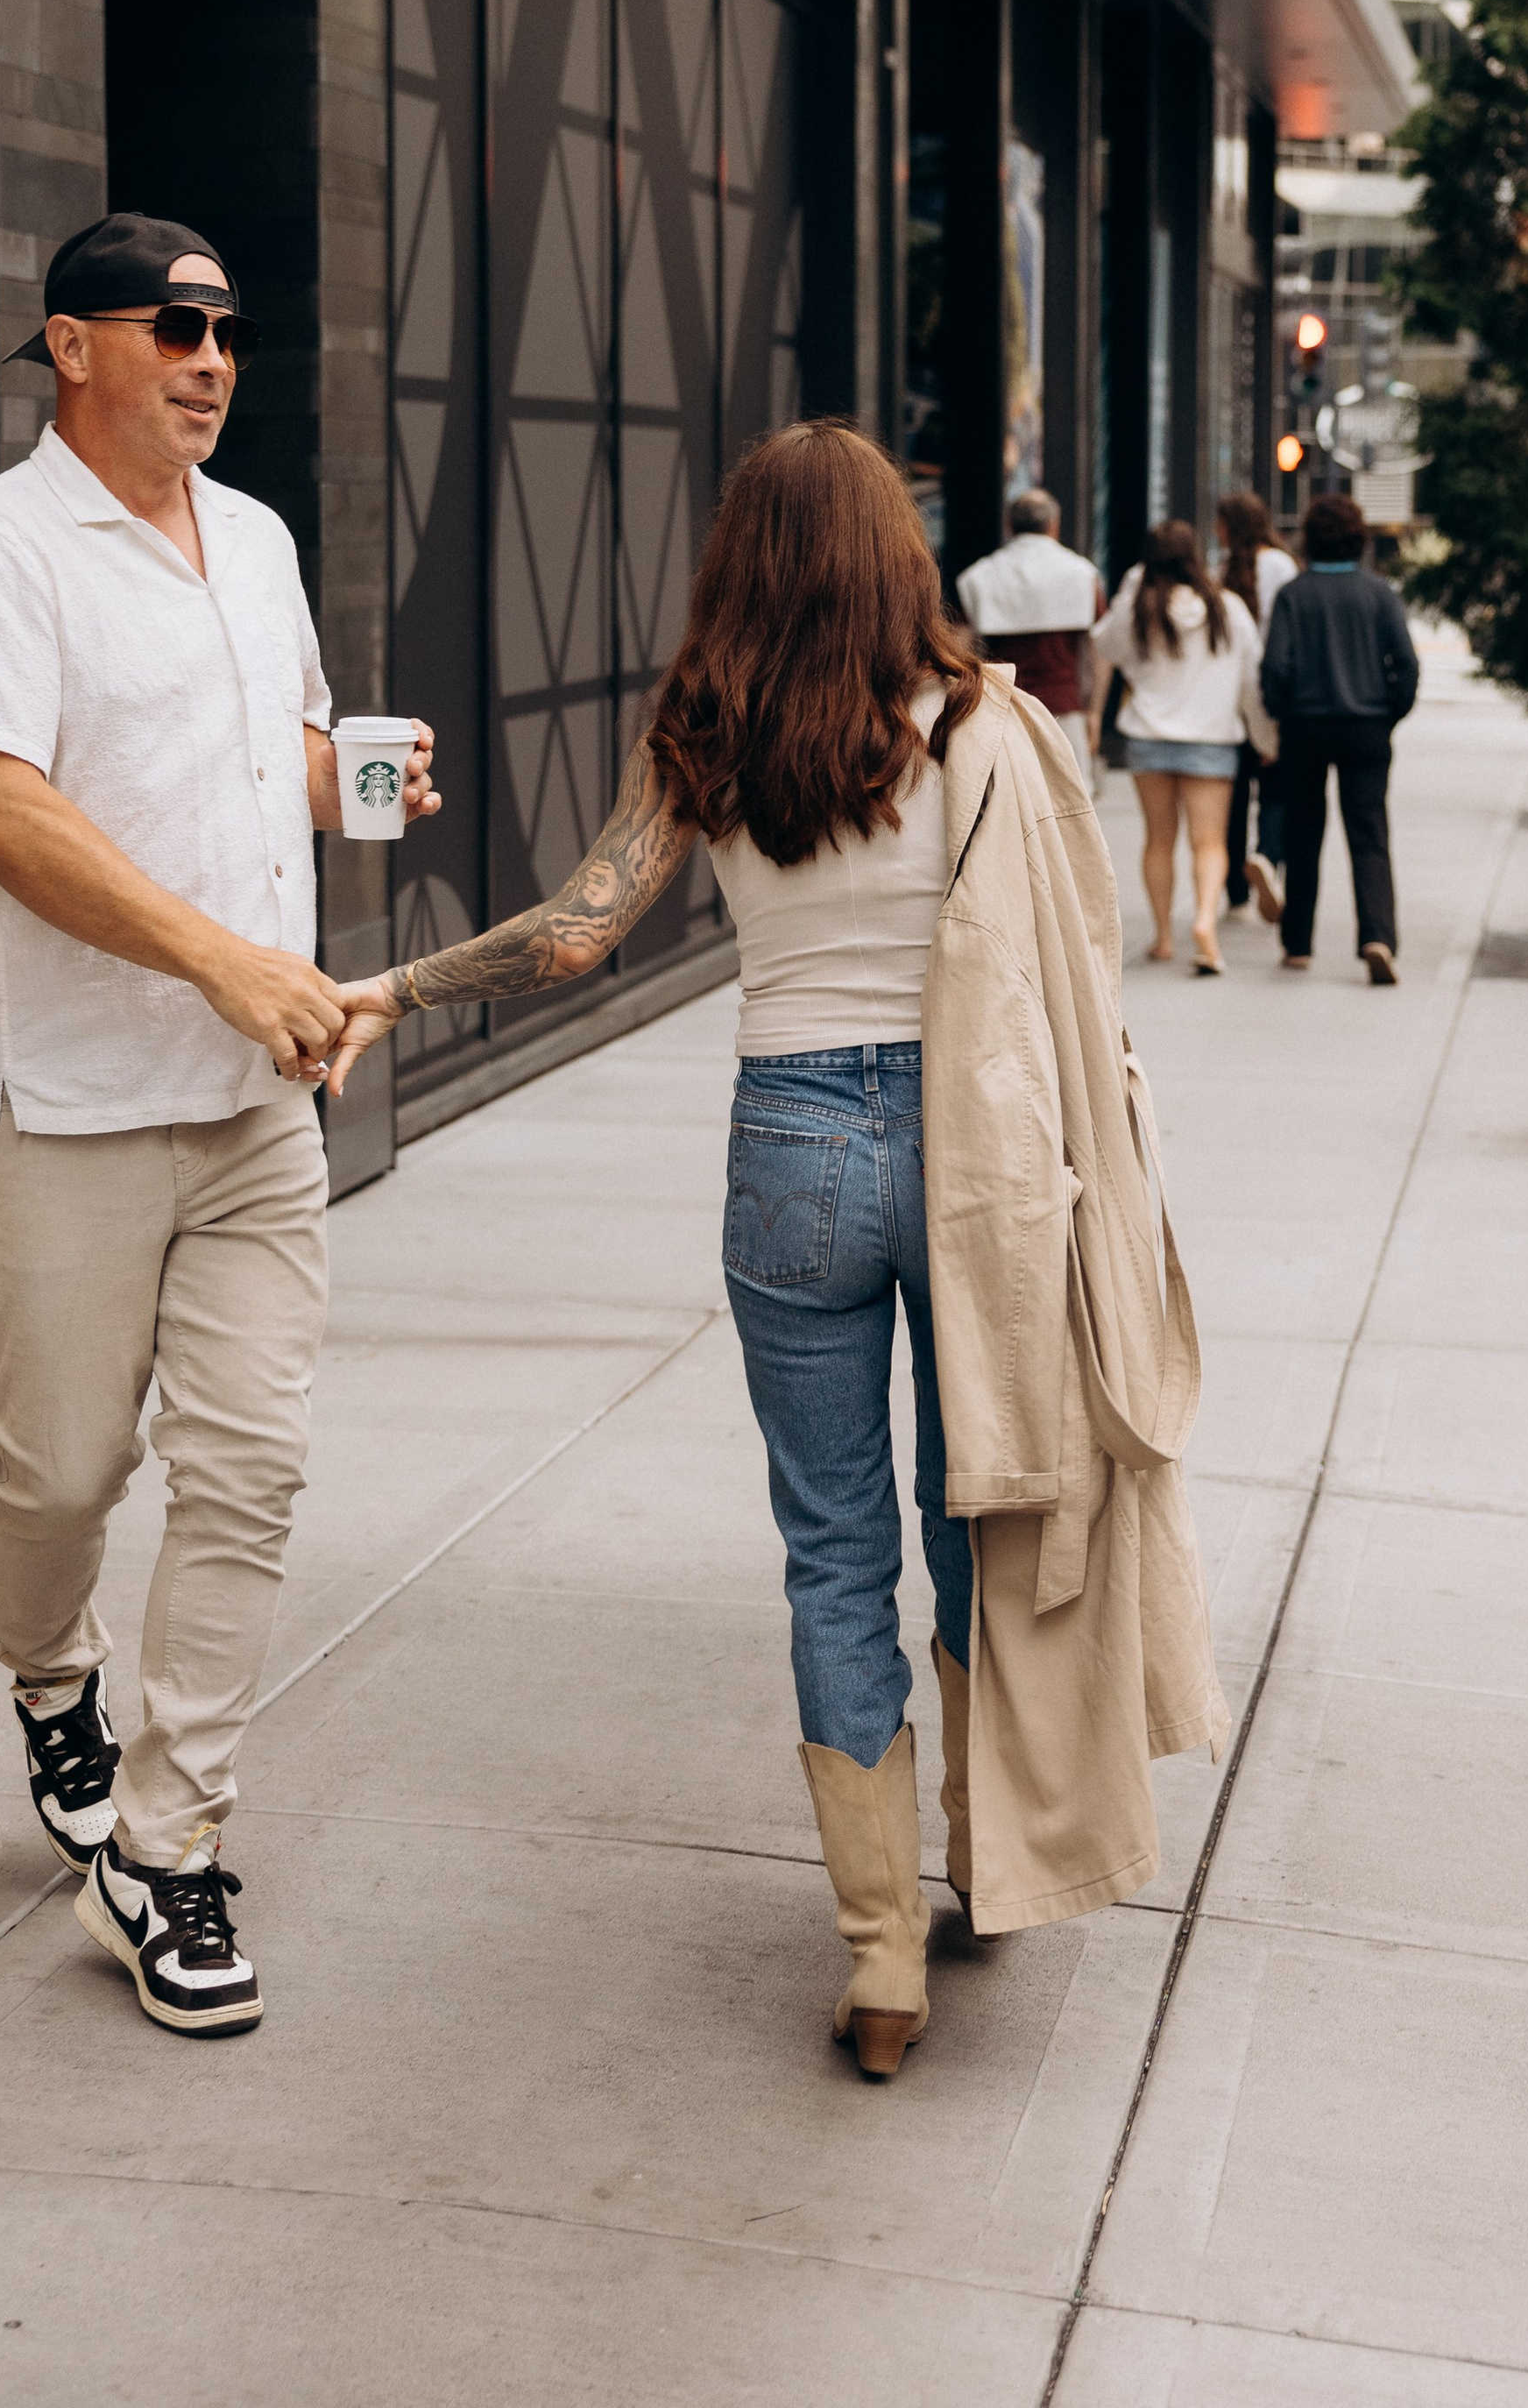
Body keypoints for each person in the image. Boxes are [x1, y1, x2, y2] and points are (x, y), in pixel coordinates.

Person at [324, 421, 1223, 2077]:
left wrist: (400, 991)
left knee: (831, 1553)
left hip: (792, 1140)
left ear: (741, 557)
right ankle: (992, 1860)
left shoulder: (704, 730)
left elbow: (581, 931)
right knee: (989, 1512)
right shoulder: (977, 723)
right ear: (899, 554)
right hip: (979, 1163)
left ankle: (882, 1962)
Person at [0, 212, 439, 2040]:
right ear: (72, 348)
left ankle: (170, 1841)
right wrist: (224, 963)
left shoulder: (256, 543)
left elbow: (257, 750)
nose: (209, 356)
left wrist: (354, 785)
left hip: (258, 1101)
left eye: (230, 329)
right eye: (172, 325)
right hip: (62, 1104)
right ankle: (53, 1678)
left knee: (252, 1466)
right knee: (63, 1475)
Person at [1090, 519, 1274, 976]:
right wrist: (1265, 737)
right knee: (1209, 842)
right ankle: (1205, 922)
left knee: (1159, 839)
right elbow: (1252, 682)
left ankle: (1164, 937)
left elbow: (1105, 645)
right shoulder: (1228, 609)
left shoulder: (1139, 608)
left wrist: (1132, 585)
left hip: (1149, 739)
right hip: (1212, 741)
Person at [1260, 490, 1418, 985]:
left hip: (1306, 726)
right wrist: (1390, 713)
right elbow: (1407, 664)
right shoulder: (1379, 593)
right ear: (1358, 538)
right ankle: (1377, 936)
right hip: (1367, 726)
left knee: (1303, 830)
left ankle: (1299, 943)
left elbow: (1275, 668)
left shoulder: (1294, 595)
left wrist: (1282, 712)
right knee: (1369, 832)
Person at [952, 488, 1107, 790]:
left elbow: (959, 647)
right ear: (1054, 525)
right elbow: (1098, 652)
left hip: (1002, 707)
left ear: (1009, 526)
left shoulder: (978, 576)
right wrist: (1095, 710)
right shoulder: (1082, 574)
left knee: (1010, 802)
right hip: (1065, 707)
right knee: (1070, 805)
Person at [1215, 491, 1295, 929]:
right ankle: (1267, 856)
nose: (1215, 529)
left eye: (1220, 521)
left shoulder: (1222, 572)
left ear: (1232, 525)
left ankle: (1237, 893)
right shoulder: (1281, 566)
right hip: (1271, 693)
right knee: (1276, 787)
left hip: (1231, 696)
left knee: (1233, 795)